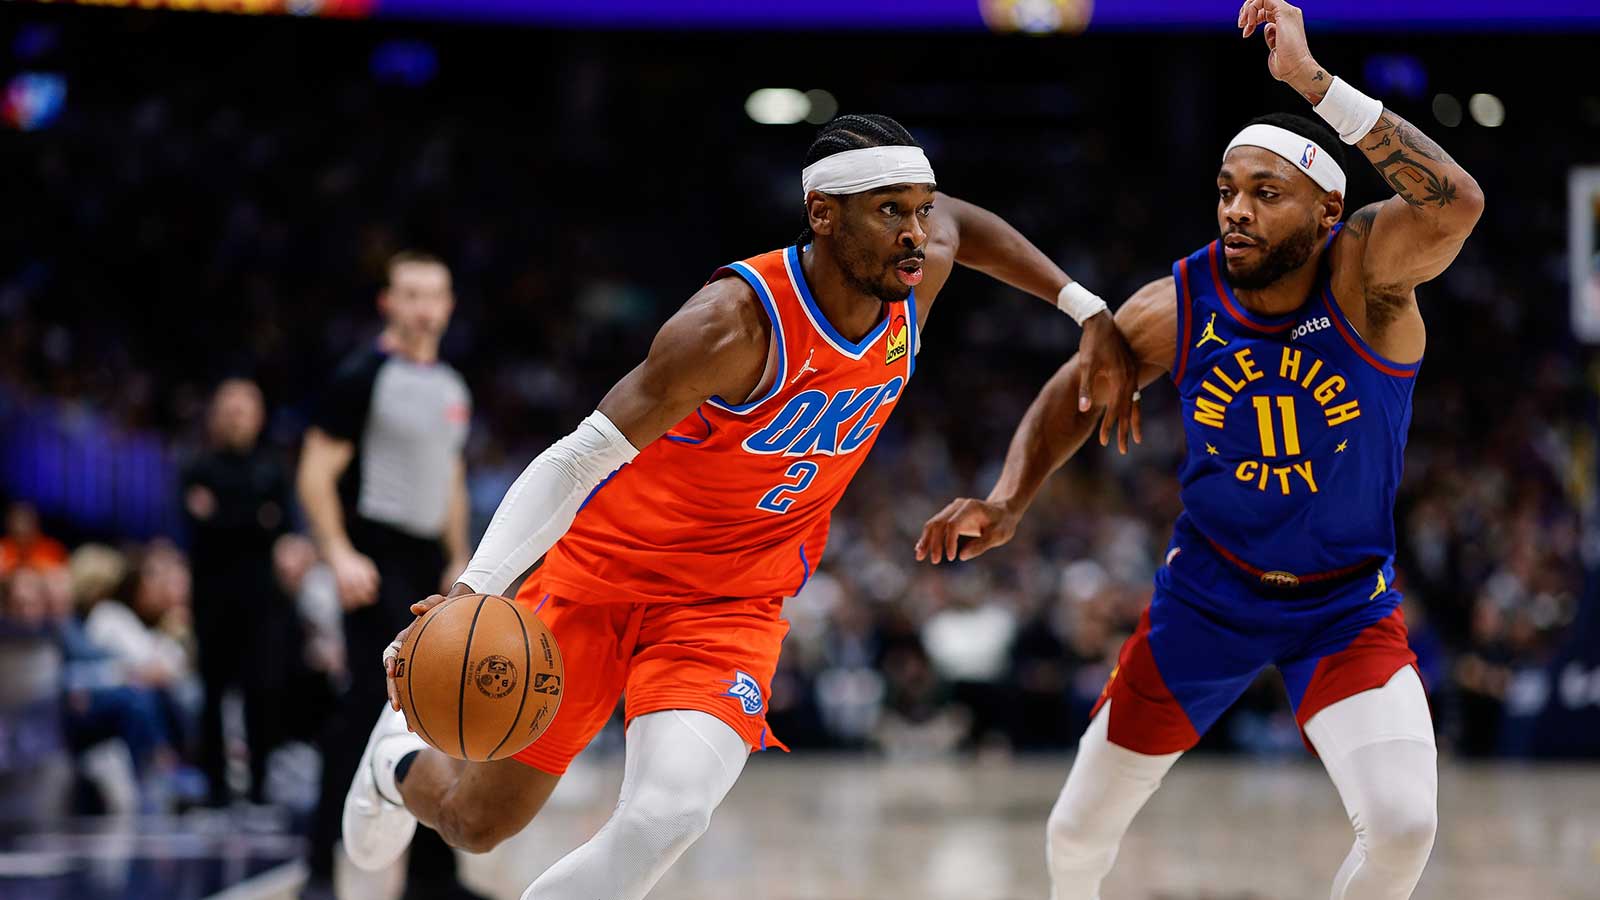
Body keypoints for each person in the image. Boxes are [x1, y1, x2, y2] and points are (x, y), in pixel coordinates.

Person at [341, 113, 1140, 900]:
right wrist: (476, 589)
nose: (916, 233)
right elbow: (578, 457)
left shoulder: (919, 270)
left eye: (919, 209)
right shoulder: (733, 325)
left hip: (731, 605)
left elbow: (965, 223)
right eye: (890, 210)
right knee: (475, 823)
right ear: (823, 215)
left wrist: (1084, 308)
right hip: (602, 580)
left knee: (669, 814)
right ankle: (392, 760)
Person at [916, 4, 1483, 898]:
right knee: (1075, 832)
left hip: (1343, 606)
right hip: (1208, 595)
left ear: (1327, 209)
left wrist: (1310, 84)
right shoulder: (1179, 303)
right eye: (1226, 190)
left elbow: (1458, 201)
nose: (1236, 211)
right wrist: (1010, 498)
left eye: (1265, 192)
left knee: (1406, 826)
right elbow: (1077, 389)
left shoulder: (1368, 274)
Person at [297, 251, 475, 897]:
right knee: (364, 712)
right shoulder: (361, 376)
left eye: (435, 294)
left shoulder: (453, 386)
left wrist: (462, 557)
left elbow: (451, 479)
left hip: (429, 558)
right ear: (389, 304)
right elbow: (315, 472)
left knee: (440, 715)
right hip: (376, 558)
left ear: (449, 305)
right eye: (411, 294)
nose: (424, 307)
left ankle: (433, 878)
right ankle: (318, 868)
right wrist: (340, 553)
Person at [181, 377, 298, 806]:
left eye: (244, 411)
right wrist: (254, 518)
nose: (236, 419)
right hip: (211, 598)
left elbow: (280, 525)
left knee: (261, 689)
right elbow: (197, 521)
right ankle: (214, 786)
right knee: (211, 691)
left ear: (258, 417)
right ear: (215, 416)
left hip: (261, 599)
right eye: (229, 410)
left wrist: (225, 517)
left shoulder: (272, 468)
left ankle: (262, 784)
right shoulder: (196, 465)